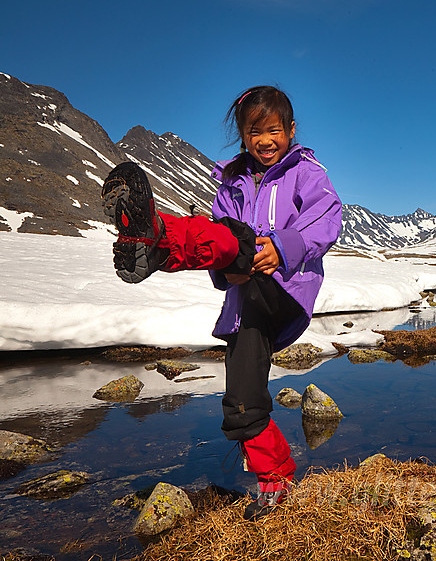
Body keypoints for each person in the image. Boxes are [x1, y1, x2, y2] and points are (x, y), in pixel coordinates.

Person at [101, 85, 342, 520]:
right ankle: (277, 484)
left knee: (241, 238)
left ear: (290, 130)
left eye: (274, 130)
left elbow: (327, 222)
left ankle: (159, 241)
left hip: (286, 289)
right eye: (254, 131)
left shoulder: (307, 173)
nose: (265, 140)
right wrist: (223, 271)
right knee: (241, 404)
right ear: (243, 135)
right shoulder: (230, 182)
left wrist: (284, 247)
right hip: (246, 300)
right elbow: (218, 243)